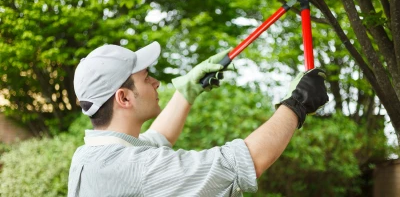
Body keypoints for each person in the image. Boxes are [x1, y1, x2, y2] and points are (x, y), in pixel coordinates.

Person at [68, 41, 328, 196]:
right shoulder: (135, 167)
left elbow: (159, 139)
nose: (156, 82)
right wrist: (297, 104)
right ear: (123, 98)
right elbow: (239, 164)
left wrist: (189, 89)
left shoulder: (89, 157)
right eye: (147, 78)